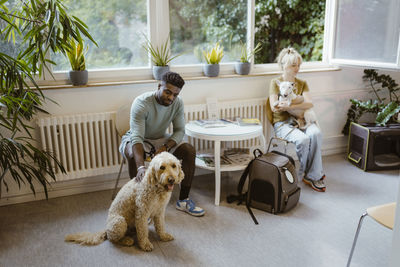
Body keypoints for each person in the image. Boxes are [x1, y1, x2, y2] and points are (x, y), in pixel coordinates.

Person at [119, 71, 205, 216]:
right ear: (159, 86)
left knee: (189, 150)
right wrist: (141, 167)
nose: (171, 97)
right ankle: (139, 205)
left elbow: (179, 131)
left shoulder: (177, 103)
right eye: (167, 92)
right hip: (138, 139)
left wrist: (165, 147)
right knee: (133, 155)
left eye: (175, 95)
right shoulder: (141, 103)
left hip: (160, 139)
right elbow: (137, 137)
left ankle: (183, 201)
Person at [268, 47, 326, 192]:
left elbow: (309, 104)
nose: (297, 68)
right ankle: (311, 174)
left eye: (299, 65)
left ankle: (313, 175)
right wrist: (294, 104)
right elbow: (274, 106)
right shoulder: (275, 82)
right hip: (283, 124)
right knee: (303, 140)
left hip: (302, 119)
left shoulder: (302, 83)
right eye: (293, 65)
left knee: (316, 133)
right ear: (283, 65)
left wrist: (289, 105)